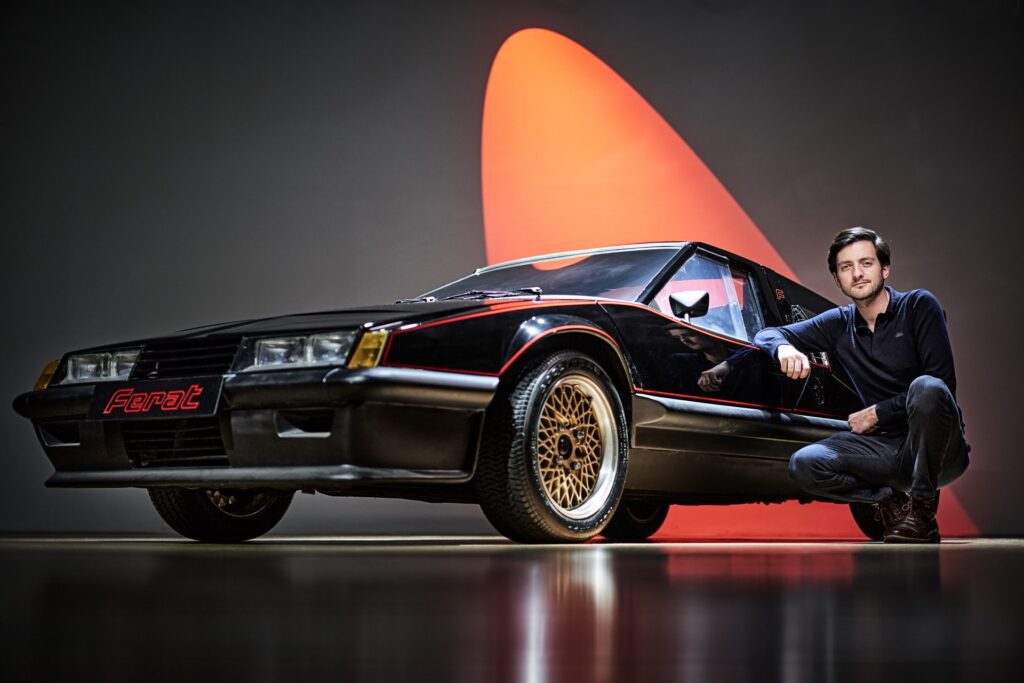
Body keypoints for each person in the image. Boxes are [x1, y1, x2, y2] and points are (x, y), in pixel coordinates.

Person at [753, 227, 969, 543]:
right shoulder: (838, 323)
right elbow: (767, 334)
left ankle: (922, 513)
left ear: (885, 269)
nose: (857, 274)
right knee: (804, 464)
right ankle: (889, 502)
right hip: (884, 451)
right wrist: (784, 348)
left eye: (866, 263)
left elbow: (942, 386)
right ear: (837, 278)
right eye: (846, 267)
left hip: (940, 449)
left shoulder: (918, 306)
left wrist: (877, 413)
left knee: (926, 386)